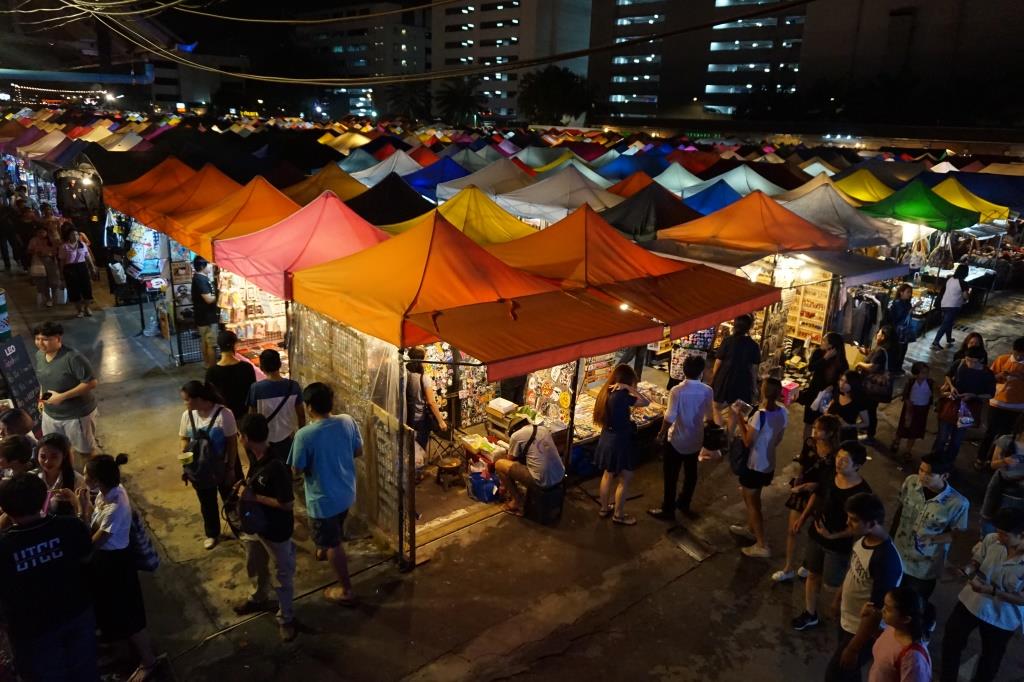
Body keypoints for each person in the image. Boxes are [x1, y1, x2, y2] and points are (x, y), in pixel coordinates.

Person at [0, 474, 97, 682]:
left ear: (5, 509)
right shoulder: (70, 526)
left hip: (32, 630)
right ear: (44, 499)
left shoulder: (4, 547)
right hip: (76, 611)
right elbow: (87, 558)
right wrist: (83, 512)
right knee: (85, 669)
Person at [85, 454, 162, 682]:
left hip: (116, 565)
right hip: (108, 563)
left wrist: (81, 507)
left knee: (128, 616)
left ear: (98, 479)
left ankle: (148, 661)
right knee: (113, 613)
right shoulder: (107, 493)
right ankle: (123, 654)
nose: (85, 478)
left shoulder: (115, 506)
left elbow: (93, 541)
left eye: (88, 475)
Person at [288, 382, 362, 605]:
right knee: (335, 529)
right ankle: (324, 546)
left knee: (333, 544)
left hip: (323, 500)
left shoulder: (304, 435)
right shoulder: (347, 421)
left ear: (308, 407)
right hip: (346, 492)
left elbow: (296, 469)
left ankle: (346, 590)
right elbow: (358, 451)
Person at [792, 440, 872, 631]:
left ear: (858, 466)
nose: (838, 462)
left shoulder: (862, 494)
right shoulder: (830, 474)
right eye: (838, 457)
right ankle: (810, 613)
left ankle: (842, 609)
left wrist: (833, 536)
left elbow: (860, 528)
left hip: (838, 546)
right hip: (816, 535)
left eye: (845, 460)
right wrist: (803, 518)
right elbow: (818, 495)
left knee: (832, 583)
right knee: (812, 574)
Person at [824, 493, 904, 682]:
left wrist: (854, 648)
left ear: (872, 523)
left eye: (854, 520)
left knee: (835, 675)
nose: (848, 523)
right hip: (847, 620)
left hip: (861, 631)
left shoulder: (886, 560)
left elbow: (876, 612)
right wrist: (837, 599)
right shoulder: (863, 539)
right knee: (848, 674)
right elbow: (852, 571)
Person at [940, 507, 1024, 682]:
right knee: (952, 640)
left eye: (1005, 535)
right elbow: (977, 560)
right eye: (998, 532)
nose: (999, 537)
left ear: (1021, 534)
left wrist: (993, 591)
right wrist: (966, 570)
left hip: (1001, 618)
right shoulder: (992, 540)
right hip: (972, 602)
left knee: (990, 660)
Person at [233, 414, 297, 642]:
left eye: (240, 435)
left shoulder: (277, 466)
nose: (238, 437)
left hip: (276, 531)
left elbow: (287, 503)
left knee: (282, 575)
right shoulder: (255, 455)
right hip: (255, 526)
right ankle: (258, 597)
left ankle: (286, 617)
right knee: (255, 563)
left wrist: (253, 496)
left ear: (247, 438)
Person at [773, 414, 840, 582]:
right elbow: (803, 462)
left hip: (821, 494)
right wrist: (800, 477)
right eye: (815, 427)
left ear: (830, 433)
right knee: (793, 530)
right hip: (804, 490)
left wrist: (810, 487)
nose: (814, 431)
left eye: (819, 429)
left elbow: (826, 483)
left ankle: (808, 563)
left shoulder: (835, 456)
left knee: (814, 533)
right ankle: (789, 567)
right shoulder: (810, 442)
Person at [892, 454, 969, 601]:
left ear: (944, 476)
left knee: (913, 604)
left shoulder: (958, 503)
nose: (922, 476)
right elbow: (900, 510)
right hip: (898, 554)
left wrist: (932, 539)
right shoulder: (911, 482)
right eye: (921, 470)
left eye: (929, 473)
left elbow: (958, 534)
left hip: (923, 566)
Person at [649, 355, 716, 521]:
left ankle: (668, 509)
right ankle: (685, 502)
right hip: (695, 438)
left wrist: (660, 434)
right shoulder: (707, 391)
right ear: (701, 372)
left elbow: (670, 417)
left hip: (676, 439)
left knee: (671, 476)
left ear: (684, 371)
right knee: (691, 473)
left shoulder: (677, 391)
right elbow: (709, 417)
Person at [729, 377, 788, 557]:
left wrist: (739, 417)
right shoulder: (783, 412)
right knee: (754, 498)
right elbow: (778, 438)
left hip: (754, 464)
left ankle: (762, 545)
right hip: (768, 463)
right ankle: (751, 528)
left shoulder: (760, 415)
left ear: (763, 391)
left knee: (752, 503)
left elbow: (747, 441)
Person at [179, 380, 238, 550]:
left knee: (230, 500)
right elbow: (183, 440)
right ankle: (212, 533)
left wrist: (231, 468)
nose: (184, 404)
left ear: (198, 399)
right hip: (200, 470)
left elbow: (232, 443)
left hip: (221, 467)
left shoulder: (224, 414)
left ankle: (238, 528)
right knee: (207, 503)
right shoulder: (187, 416)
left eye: (186, 400)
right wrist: (185, 467)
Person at [33, 321, 99, 465]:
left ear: (58, 338)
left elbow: (91, 382)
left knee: (85, 451)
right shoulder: (39, 355)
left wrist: (62, 397)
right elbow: (44, 380)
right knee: (56, 448)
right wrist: (41, 398)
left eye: (45, 339)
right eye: (37, 339)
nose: (40, 343)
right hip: (50, 414)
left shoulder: (73, 358)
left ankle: (93, 480)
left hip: (76, 415)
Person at [592, 364, 650, 526]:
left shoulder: (606, 392)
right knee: (625, 477)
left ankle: (604, 508)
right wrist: (628, 388)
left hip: (607, 437)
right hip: (620, 441)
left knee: (607, 474)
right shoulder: (622, 395)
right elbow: (646, 402)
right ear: (626, 380)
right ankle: (618, 514)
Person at [495, 413, 566, 516]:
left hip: (542, 481)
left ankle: (517, 502)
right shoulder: (543, 429)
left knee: (500, 464)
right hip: (560, 475)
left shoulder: (516, 435)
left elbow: (509, 460)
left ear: (514, 430)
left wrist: (503, 485)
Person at [933, 346, 995, 462]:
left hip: (968, 409)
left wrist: (973, 395)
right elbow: (948, 375)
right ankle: (934, 461)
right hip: (951, 404)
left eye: (973, 361)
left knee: (956, 440)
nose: (969, 363)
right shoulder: (959, 363)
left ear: (981, 360)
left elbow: (990, 394)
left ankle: (948, 464)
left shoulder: (987, 374)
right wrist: (951, 387)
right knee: (942, 437)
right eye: (967, 359)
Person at [975, 336, 1024, 469]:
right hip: (997, 403)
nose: (1018, 357)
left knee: (1005, 436)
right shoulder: (1002, 359)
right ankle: (980, 458)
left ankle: (993, 460)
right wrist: (998, 376)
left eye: (1021, 354)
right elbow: (989, 377)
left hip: (1017, 407)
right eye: (1016, 353)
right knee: (990, 432)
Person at [247, 349, 305, 462]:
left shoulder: (256, 388)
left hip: (265, 440)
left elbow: (252, 417)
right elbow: (301, 415)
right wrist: (300, 437)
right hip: (288, 438)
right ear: (279, 365)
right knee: (287, 470)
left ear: (262, 367)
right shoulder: (293, 386)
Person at [867, 587, 934, 682]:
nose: (882, 610)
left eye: (888, 609)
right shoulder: (893, 627)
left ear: (905, 619)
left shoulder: (913, 659)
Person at [710, 314, 761, 426]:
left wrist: (714, 378)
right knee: (735, 412)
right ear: (749, 327)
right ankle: (729, 437)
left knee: (716, 407)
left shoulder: (727, 341)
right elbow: (754, 369)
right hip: (743, 381)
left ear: (735, 325)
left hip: (725, 378)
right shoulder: (754, 345)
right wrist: (754, 386)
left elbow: (718, 362)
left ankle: (719, 431)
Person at [980, 414, 1024, 535]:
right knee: (989, 516)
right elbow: (993, 464)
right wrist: (1005, 461)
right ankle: (986, 541)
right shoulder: (1006, 440)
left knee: (1015, 522)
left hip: (1021, 489)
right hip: (1002, 483)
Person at [404, 348, 447, 470]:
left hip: (408, 417)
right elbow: (431, 402)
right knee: (420, 447)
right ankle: (416, 474)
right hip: (420, 419)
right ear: (420, 360)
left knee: (410, 446)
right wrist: (440, 421)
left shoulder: (406, 374)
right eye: (425, 358)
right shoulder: (424, 378)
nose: (426, 361)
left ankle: (410, 472)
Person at [801, 332, 849, 440]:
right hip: (813, 393)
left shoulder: (841, 361)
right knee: (808, 423)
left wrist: (833, 387)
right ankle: (805, 451)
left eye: (824, 341)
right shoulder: (818, 353)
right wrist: (825, 358)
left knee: (822, 427)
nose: (821, 342)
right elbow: (811, 368)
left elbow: (843, 380)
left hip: (827, 399)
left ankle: (818, 452)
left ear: (831, 345)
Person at [855, 325, 896, 443]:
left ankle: (869, 434)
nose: (877, 334)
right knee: (869, 408)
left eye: (879, 333)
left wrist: (859, 364)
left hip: (872, 385)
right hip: (873, 386)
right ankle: (865, 427)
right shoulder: (887, 349)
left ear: (883, 337)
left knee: (869, 409)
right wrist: (866, 352)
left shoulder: (881, 350)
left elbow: (873, 367)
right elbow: (876, 360)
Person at [205, 330, 257, 423]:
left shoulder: (212, 371)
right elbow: (253, 393)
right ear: (235, 345)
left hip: (223, 417)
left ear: (219, 346)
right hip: (243, 415)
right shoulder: (247, 367)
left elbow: (209, 397)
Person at [890, 362, 934, 466]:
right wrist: (908, 406)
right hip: (910, 409)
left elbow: (931, 396)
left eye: (926, 373)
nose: (925, 375)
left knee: (914, 431)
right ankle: (896, 441)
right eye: (923, 373)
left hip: (922, 410)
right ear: (916, 373)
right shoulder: (911, 382)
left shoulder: (930, 382)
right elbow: (905, 395)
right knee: (903, 427)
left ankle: (908, 450)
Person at [35, 432, 87, 517]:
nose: (47, 462)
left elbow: (85, 513)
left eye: (54, 457)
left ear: (64, 456)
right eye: (43, 456)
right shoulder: (33, 477)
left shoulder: (77, 480)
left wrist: (74, 500)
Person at [930, 263, 969, 350]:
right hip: (953, 305)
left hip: (944, 304)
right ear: (965, 273)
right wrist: (967, 297)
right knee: (946, 323)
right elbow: (965, 296)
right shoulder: (963, 283)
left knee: (949, 322)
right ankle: (936, 342)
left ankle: (949, 339)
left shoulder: (950, 279)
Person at [58, 226, 95, 318]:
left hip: (82, 267)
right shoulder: (64, 246)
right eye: (72, 235)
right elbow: (62, 261)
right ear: (68, 236)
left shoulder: (82, 244)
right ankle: (80, 310)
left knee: (87, 289)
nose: (75, 236)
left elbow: (87, 256)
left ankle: (87, 308)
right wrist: (61, 274)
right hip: (70, 269)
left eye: (76, 234)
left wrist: (92, 267)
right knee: (74, 290)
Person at [191, 256, 220, 368]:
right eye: (209, 264)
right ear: (203, 266)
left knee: (205, 341)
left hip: (204, 316)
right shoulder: (200, 279)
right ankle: (212, 367)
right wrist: (219, 295)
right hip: (207, 317)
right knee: (211, 344)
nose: (211, 266)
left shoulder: (201, 278)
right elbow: (208, 299)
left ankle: (207, 364)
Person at [826, 371, 870, 442]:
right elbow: (834, 401)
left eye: (846, 382)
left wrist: (849, 425)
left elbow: (866, 423)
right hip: (832, 433)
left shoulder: (859, 401)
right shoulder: (838, 391)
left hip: (847, 436)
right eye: (841, 380)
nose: (842, 384)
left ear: (854, 384)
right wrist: (827, 412)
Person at [25, 223, 61, 308]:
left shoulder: (51, 239)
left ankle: (54, 297)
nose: (41, 234)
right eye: (39, 232)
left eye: (43, 232)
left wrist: (50, 253)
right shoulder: (33, 240)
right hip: (38, 262)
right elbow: (29, 250)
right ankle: (48, 298)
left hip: (51, 262)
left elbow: (57, 250)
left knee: (54, 281)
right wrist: (36, 251)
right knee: (43, 281)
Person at [888, 283, 914, 372]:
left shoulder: (907, 303)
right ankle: (894, 368)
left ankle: (898, 367)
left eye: (910, 292)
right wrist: (911, 310)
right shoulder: (898, 303)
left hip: (904, 331)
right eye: (908, 292)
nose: (910, 294)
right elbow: (899, 317)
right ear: (901, 293)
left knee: (903, 350)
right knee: (898, 350)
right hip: (897, 331)